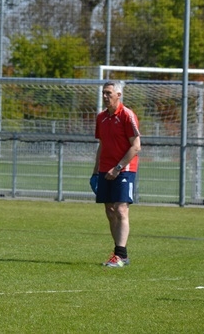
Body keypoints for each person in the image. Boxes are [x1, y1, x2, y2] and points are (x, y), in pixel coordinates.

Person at [91, 81, 141, 268]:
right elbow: (102, 145)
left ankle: (120, 255)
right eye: (104, 93)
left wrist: (118, 168)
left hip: (124, 169)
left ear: (118, 95)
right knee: (110, 210)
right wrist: (96, 171)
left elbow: (136, 146)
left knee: (121, 209)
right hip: (105, 169)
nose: (105, 96)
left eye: (109, 93)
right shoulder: (101, 118)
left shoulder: (127, 115)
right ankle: (120, 253)